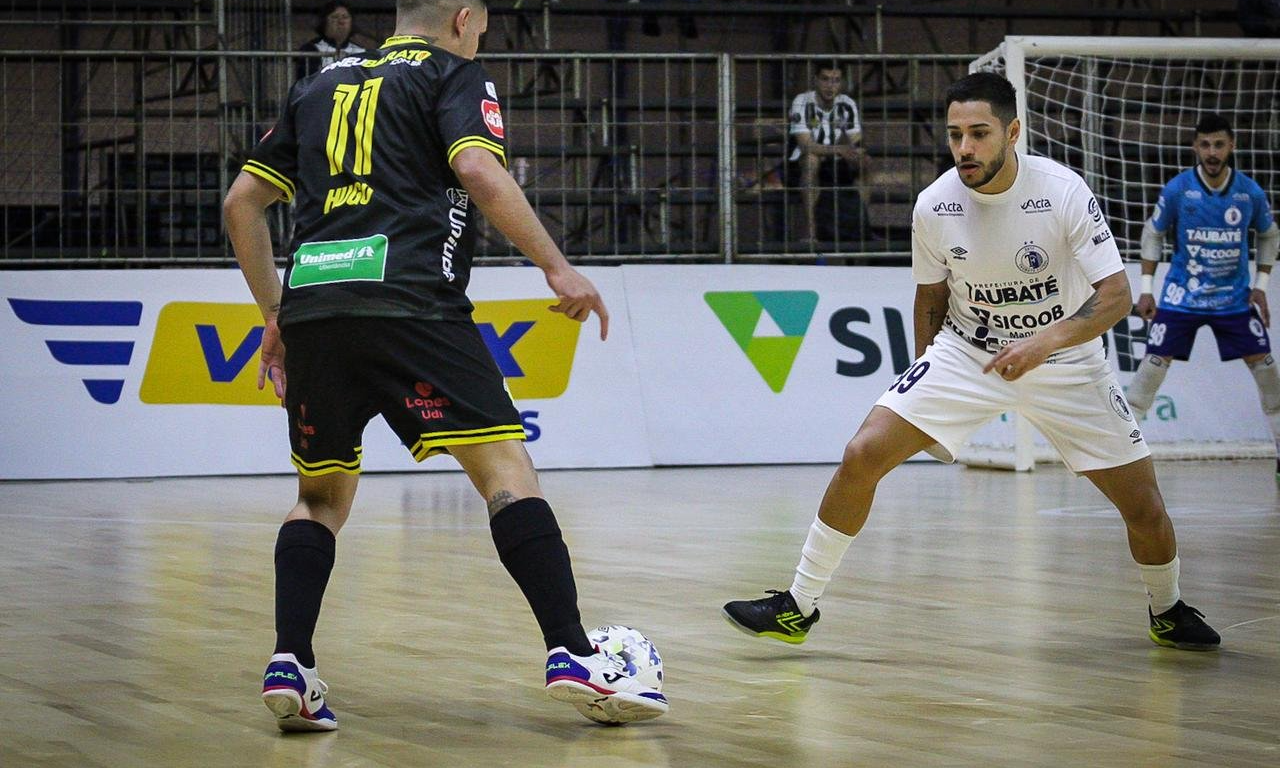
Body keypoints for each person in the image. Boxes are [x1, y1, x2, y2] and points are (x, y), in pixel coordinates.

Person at [224, 0, 667, 732]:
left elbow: (244, 204)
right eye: (486, 22)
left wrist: (275, 315)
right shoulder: (454, 74)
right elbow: (476, 169)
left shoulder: (319, 85)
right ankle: (570, 650)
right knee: (506, 474)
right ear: (465, 17)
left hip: (315, 310)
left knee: (320, 498)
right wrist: (557, 267)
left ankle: (289, 664)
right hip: (414, 306)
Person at [723, 72, 1221, 653]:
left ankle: (1166, 610)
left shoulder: (1061, 191)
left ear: (1012, 131)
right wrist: (920, 382)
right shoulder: (935, 205)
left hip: (1064, 360)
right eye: (955, 134)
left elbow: (1114, 295)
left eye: (979, 133)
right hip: (966, 353)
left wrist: (1044, 344)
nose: (964, 148)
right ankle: (797, 606)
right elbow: (930, 298)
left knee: (1144, 506)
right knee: (861, 456)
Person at [1127, 113, 1279, 473]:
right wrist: (1147, 290)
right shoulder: (1179, 189)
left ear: (1232, 146)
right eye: (1206, 145)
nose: (1212, 152)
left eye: (1219, 144)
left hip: (1234, 300)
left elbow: (1269, 235)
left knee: (1269, 375)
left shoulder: (1249, 192)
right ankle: (1125, 457)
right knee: (1149, 373)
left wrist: (1260, 286)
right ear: (1195, 146)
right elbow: (1153, 233)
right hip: (1183, 298)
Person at [786, 61, 871, 246]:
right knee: (811, 161)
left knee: (864, 162)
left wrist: (856, 151)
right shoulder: (801, 102)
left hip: (835, 161)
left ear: (841, 83)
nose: (830, 86)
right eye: (825, 79)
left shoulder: (847, 104)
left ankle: (862, 225)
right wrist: (840, 149)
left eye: (836, 80)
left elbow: (856, 140)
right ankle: (811, 229)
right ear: (815, 80)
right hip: (801, 162)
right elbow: (806, 145)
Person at [295, 1, 367, 82]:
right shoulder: (311, 49)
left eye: (345, 17)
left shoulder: (361, 52)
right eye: (335, 17)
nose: (341, 22)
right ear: (324, 22)